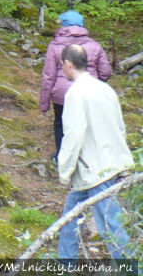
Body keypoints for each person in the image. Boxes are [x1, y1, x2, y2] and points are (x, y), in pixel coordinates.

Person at [55, 43, 134, 259]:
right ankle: (65, 265)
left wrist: (64, 169)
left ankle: (128, 270)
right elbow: (120, 127)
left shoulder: (75, 94)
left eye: (62, 64)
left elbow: (73, 135)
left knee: (110, 224)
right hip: (106, 164)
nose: (62, 68)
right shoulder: (105, 89)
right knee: (71, 217)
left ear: (69, 64)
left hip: (95, 169)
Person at [40, 10, 112, 159]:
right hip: (89, 92)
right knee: (88, 123)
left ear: (63, 25)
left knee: (61, 123)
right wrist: (98, 83)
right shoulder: (94, 45)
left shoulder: (54, 45)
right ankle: (87, 157)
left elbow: (48, 76)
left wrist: (44, 103)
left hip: (61, 94)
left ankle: (61, 157)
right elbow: (105, 72)